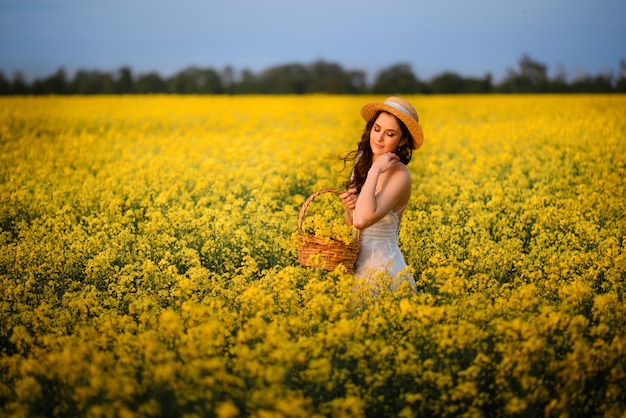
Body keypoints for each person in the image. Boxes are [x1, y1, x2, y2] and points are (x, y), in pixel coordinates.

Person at [340, 97, 423, 292]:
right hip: (357, 268)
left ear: (402, 140)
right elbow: (353, 225)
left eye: (390, 134)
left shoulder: (400, 175)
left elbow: (362, 220)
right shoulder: (362, 163)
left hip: (385, 271)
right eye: (376, 129)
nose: (379, 138)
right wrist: (349, 207)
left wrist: (376, 169)